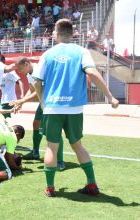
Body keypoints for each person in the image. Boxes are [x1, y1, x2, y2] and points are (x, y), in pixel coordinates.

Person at [32, 19, 119, 197]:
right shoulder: (81, 51)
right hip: (74, 109)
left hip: (53, 109)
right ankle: (92, 185)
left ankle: (50, 188)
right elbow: (93, 72)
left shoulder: (47, 54)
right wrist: (110, 96)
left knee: (51, 148)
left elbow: (37, 82)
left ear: (56, 33)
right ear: (72, 34)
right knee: (78, 145)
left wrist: (42, 102)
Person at [10, 57, 65, 171]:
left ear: (26, 64)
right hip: (43, 102)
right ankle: (35, 152)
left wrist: (22, 101)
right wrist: (22, 102)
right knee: (36, 124)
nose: (20, 72)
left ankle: (60, 161)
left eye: (20, 69)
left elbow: (39, 90)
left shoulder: (38, 69)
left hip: (51, 101)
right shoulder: (29, 73)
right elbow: (31, 89)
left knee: (54, 130)